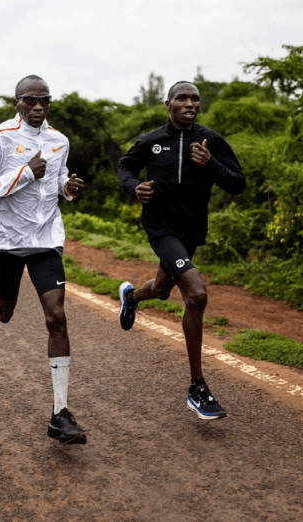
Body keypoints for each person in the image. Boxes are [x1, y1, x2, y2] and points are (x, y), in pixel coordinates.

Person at [0, 75, 87, 444]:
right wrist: (23, 174)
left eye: (44, 100)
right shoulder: (0, 137)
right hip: (8, 241)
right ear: (17, 102)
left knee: (57, 316)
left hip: (46, 239)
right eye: (30, 100)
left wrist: (67, 188)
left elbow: (58, 179)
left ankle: (60, 413)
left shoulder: (59, 140)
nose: (38, 106)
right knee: (3, 313)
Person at [118, 81, 246, 421]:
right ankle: (197, 386)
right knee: (196, 294)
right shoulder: (151, 141)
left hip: (191, 232)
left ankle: (130, 298)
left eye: (195, 99)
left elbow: (238, 182)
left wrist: (211, 165)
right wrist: (135, 187)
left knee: (160, 291)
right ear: (168, 104)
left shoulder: (211, 140)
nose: (189, 103)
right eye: (182, 98)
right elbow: (125, 167)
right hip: (161, 229)